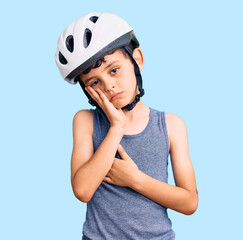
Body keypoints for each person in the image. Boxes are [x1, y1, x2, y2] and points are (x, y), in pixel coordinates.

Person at [55, 12, 198, 240]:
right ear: (86, 90)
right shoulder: (86, 121)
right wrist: (116, 128)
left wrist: (135, 179)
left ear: (137, 60)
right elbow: (82, 190)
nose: (109, 86)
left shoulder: (171, 125)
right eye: (94, 82)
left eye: (114, 70)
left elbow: (189, 202)